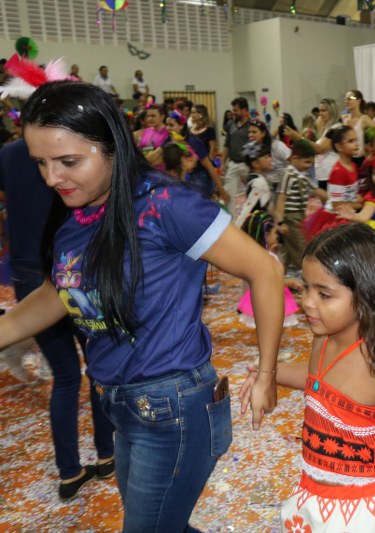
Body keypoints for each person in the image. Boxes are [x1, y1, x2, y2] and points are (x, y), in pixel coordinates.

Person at [5, 81, 285, 531]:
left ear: (112, 147)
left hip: (173, 408)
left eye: (68, 162)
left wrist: (267, 374)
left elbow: (265, 270)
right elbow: (58, 294)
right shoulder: (77, 218)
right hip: (120, 406)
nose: (52, 178)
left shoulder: (165, 204)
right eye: (41, 162)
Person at [239, 223, 375, 531]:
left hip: (366, 513)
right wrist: (268, 374)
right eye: (306, 287)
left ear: (367, 295)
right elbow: (317, 377)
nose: (308, 302)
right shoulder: (323, 339)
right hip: (313, 499)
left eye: (324, 294)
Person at [0, 139, 116, 500]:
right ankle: (107, 454)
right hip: (72, 267)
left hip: (29, 271)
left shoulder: (8, 155)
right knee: (97, 369)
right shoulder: (70, 148)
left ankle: (69, 471)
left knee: (66, 376)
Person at [274, 140, 327, 271]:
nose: (308, 166)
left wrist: (332, 198)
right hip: (290, 216)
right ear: (294, 158)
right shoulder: (288, 174)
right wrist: (280, 222)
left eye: (311, 163)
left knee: (288, 248)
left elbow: (315, 190)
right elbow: (281, 199)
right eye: (306, 162)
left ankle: (279, 272)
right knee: (301, 246)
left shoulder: (303, 175)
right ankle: (306, 272)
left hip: (299, 215)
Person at [304, 125, 360, 239]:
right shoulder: (338, 170)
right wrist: (359, 204)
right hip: (337, 217)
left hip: (348, 213)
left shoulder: (353, 165)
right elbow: (336, 204)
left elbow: (350, 191)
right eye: (350, 141)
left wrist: (357, 198)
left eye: (356, 140)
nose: (356, 144)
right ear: (339, 146)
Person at [220, 97, 251, 213]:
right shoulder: (230, 124)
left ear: (244, 110)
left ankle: (255, 218)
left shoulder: (252, 125)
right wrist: (222, 163)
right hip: (233, 164)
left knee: (254, 192)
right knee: (228, 194)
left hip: (248, 165)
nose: (233, 112)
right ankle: (230, 220)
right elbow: (226, 144)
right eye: (233, 110)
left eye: (236, 110)